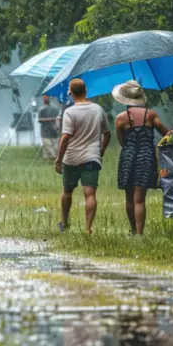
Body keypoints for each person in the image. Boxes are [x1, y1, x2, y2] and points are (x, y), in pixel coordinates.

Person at [55, 78, 111, 234]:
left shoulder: (70, 112)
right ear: (86, 91)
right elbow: (107, 134)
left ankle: (64, 223)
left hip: (71, 159)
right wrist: (101, 151)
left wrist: (59, 159)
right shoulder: (98, 109)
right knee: (90, 194)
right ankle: (87, 228)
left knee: (67, 191)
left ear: (70, 93)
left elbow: (65, 137)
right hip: (91, 158)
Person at [113, 81, 169, 235]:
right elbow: (166, 134)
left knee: (129, 197)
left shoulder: (120, 118)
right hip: (146, 156)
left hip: (128, 157)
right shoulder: (150, 115)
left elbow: (121, 140)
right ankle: (139, 233)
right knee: (140, 198)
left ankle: (132, 229)